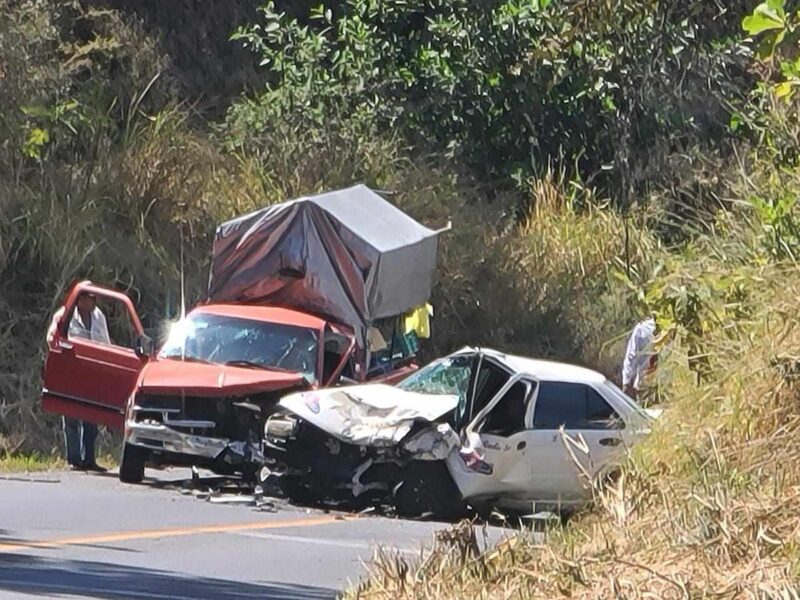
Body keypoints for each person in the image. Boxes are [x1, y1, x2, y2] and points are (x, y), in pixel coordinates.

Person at [47, 292, 110, 472]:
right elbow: (51, 337)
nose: (89, 301)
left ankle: (89, 459)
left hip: (92, 372)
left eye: (92, 298)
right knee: (71, 416)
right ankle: (74, 459)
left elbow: (105, 343)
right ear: (79, 299)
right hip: (71, 372)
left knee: (91, 417)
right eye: (85, 297)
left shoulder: (99, 317)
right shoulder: (64, 315)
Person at [621, 316, 657, 398]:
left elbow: (631, 357)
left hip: (645, 385)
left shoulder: (642, 328)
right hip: (650, 385)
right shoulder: (643, 328)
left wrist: (626, 382)